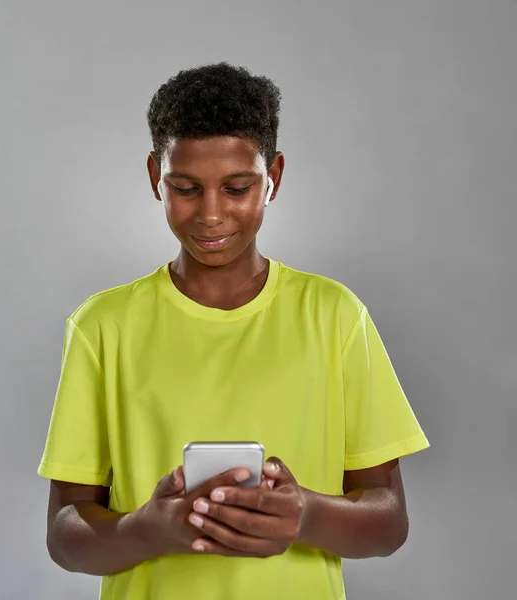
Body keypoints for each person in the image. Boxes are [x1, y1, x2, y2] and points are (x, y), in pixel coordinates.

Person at [37, 61, 430, 600]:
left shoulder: (335, 316)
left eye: (238, 187)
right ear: (155, 177)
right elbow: (65, 535)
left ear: (275, 178)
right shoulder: (102, 327)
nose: (212, 214)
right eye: (186, 188)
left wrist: (306, 514)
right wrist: (145, 530)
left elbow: (389, 522)